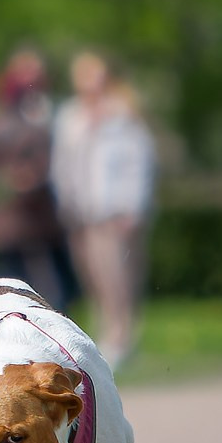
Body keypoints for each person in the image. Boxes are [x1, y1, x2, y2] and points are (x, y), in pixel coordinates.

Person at [52, 51, 157, 369]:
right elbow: (63, 163)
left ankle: (122, 335)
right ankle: (104, 335)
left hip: (113, 213)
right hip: (81, 211)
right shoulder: (71, 117)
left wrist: (132, 208)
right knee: (93, 277)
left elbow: (138, 165)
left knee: (117, 277)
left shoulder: (124, 116)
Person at [0, 49, 73, 310]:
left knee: (57, 284)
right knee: (13, 283)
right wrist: (10, 183)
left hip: (45, 219)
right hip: (12, 222)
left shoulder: (52, 116)